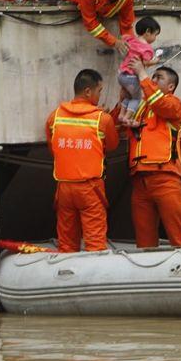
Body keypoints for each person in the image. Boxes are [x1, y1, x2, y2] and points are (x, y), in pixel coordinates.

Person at [116, 57, 181, 248]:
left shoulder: (175, 105)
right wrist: (123, 100)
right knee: (144, 240)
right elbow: (116, 125)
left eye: (159, 77)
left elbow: (160, 105)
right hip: (140, 181)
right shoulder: (140, 107)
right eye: (153, 77)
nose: (153, 80)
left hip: (165, 178)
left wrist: (142, 73)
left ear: (171, 86)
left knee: (178, 235)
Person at [46, 69, 119, 253]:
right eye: (99, 91)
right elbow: (112, 145)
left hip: (64, 188)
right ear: (88, 91)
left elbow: (53, 148)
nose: (99, 95)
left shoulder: (55, 116)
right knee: (95, 244)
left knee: (67, 243)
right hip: (90, 188)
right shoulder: (102, 119)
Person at [118, 16, 162, 126]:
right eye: (155, 34)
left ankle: (121, 114)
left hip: (121, 75)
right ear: (148, 32)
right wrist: (155, 61)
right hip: (132, 78)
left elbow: (123, 37)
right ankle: (126, 118)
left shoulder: (131, 39)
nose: (155, 38)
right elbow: (146, 63)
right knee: (136, 98)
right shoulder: (147, 48)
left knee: (129, 96)